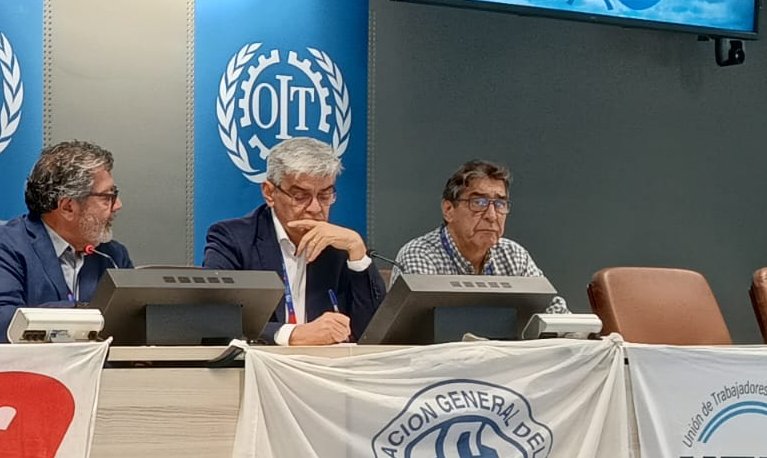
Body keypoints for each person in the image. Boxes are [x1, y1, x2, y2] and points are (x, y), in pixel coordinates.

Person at [203, 138, 385, 344]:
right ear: (269, 193)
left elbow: (376, 333)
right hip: (261, 362)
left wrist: (358, 252)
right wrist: (292, 334)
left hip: (327, 363)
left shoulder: (340, 247)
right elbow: (215, 317)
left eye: (325, 195)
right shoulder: (233, 240)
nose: (315, 208)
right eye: (300, 196)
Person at [0, 140, 132, 344]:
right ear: (68, 207)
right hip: (34, 363)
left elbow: (133, 323)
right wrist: (77, 313)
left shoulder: (113, 255)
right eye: (107, 197)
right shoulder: (4, 247)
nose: (117, 205)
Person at [392, 159, 569, 312]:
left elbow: (557, 313)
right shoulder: (420, 255)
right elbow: (423, 330)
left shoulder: (514, 255)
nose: (491, 215)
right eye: (478, 202)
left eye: (500, 203)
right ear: (448, 210)